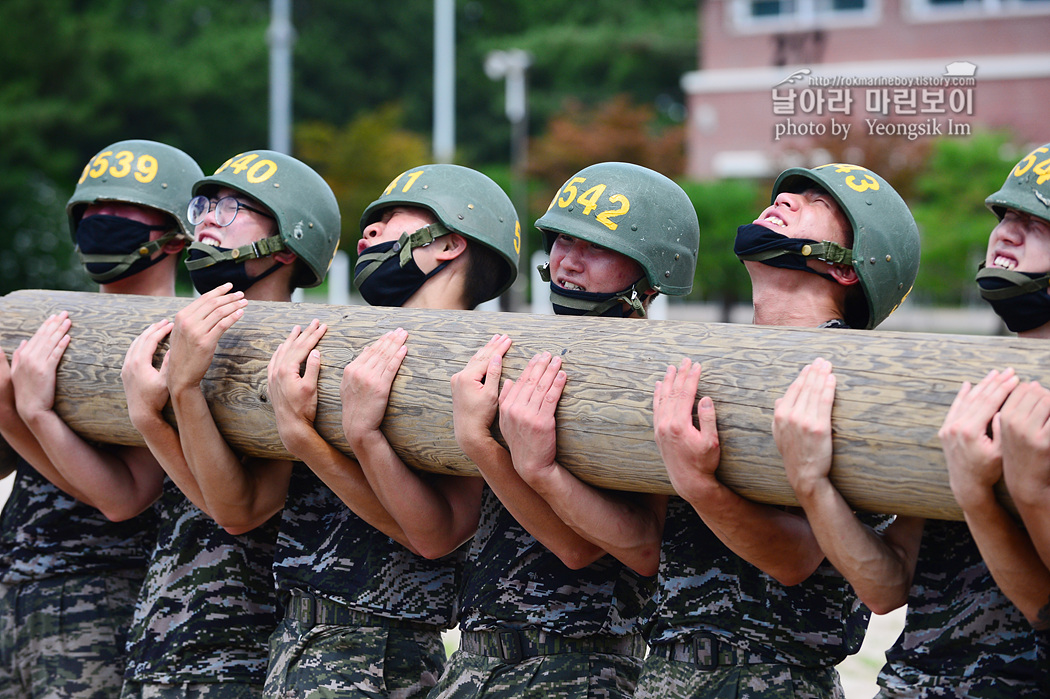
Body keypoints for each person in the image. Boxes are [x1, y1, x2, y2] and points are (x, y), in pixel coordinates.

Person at [203, 162, 519, 698]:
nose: (368, 231)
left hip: (374, 653)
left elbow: (437, 535)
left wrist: (328, 440)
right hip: (300, 634)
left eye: (391, 217)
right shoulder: (342, 343)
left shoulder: (478, 360)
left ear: (446, 244)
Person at [641, 163, 920, 698]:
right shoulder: (707, 361)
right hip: (664, 674)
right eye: (790, 191)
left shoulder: (859, 384)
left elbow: (796, 560)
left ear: (846, 269)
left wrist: (699, 483)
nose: (786, 198)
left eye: (817, 203)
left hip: (774, 680)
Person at [780, 145, 1050, 697]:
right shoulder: (970, 382)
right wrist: (813, 484)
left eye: (1036, 221)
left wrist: (986, 495)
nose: (1005, 234)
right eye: (1006, 218)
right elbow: (887, 584)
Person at [432, 161, 700, 698]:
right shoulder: (535, 346)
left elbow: (617, 549)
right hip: (480, 659)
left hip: (576, 670)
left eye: (596, 247)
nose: (567, 262)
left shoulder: (661, 371)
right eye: (561, 240)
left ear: (650, 271)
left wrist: (492, 449)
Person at [117, 149, 341, 698]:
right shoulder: (195, 334)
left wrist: (174, 398)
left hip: (230, 659)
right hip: (158, 646)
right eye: (205, 205)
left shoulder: (300, 350)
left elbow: (240, 511)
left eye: (232, 207)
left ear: (289, 245)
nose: (207, 220)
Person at [0, 139, 201, 699]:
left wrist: (25, 413)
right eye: (89, 209)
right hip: (15, 580)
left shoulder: (172, 338)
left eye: (122, 210)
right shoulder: (44, 319)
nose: (99, 221)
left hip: (98, 596)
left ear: (176, 233)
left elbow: (125, 497)